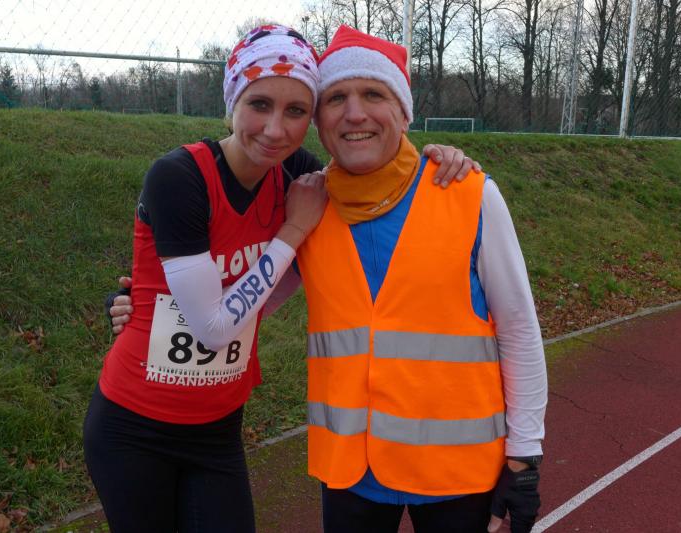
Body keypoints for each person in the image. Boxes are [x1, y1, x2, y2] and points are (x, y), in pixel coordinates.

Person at [92, 24, 481, 533]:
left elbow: (374, 172)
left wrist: (441, 159)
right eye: (259, 104)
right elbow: (213, 329)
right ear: (231, 103)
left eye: (296, 110)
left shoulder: (298, 172)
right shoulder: (179, 176)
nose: (275, 129)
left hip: (217, 428)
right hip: (134, 426)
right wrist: (292, 231)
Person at [295, 26, 547, 533]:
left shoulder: (469, 193)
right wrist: (142, 299)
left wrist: (525, 453)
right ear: (318, 121)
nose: (355, 113)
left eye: (374, 94)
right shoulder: (306, 207)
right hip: (349, 471)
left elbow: (518, 328)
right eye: (336, 98)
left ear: (405, 113)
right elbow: (239, 284)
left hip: (457, 473)